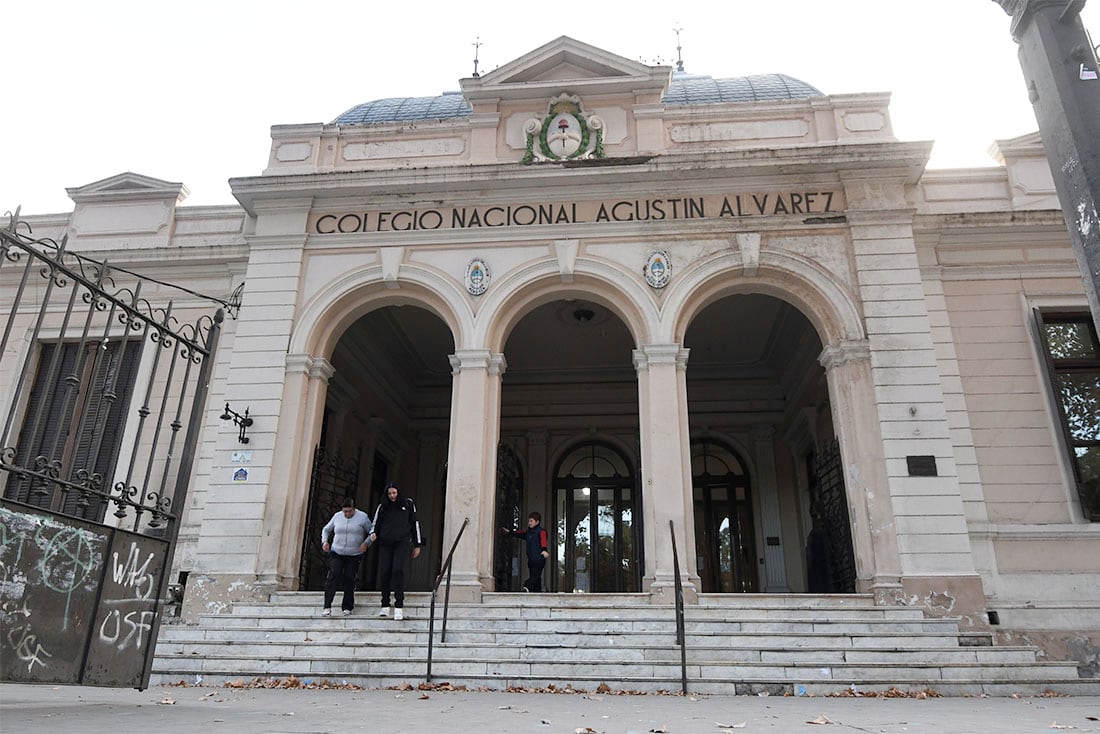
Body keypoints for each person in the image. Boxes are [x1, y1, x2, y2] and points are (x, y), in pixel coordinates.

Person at [369, 483, 422, 620]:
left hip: (401, 542)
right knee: (385, 571)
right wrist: (373, 533)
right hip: (386, 543)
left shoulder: (408, 504)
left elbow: (414, 523)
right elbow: (376, 523)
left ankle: (399, 605)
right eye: (390, 493)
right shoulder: (383, 506)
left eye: (394, 493)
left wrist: (417, 544)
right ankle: (385, 604)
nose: (392, 496)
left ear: (398, 492)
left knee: (397, 570)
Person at [320, 496, 372, 617]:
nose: (347, 514)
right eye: (345, 512)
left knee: (349, 578)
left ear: (354, 509)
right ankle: (327, 606)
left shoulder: (362, 517)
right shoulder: (337, 516)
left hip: (354, 554)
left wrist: (366, 543)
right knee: (333, 575)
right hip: (336, 552)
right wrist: (325, 541)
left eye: (350, 511)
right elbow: (326, 529)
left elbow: (371, 532)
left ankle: (347, 606)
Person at [501, 511, 549, 592]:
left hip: (539, 558)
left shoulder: (541, 531)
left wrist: (544, 550)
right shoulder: (528, 533)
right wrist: (510, 532)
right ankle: (537, 590)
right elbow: (519, 533)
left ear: (537, 522)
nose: (529, 523)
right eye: (529, 521)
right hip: (531, 559)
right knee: (536, 576)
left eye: (531, 521)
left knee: (535, 576)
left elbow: (543, 541)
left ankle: (526, 586)